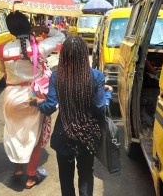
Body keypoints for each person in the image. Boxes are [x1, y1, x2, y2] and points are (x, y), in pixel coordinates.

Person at [32, 36, 112, 196]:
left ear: (64, 55)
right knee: (86, 177)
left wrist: (37, 102)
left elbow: (49, 107)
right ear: (84, 54)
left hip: (64, 136)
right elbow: (99, 108)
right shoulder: (96, 76)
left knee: (66, 181)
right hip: (87, 136)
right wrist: (107, 93)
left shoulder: (56, 76)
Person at [0, 11, 65, 189]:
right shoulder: (40, 47)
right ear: (28, 26)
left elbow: (3, 71)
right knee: (34, 135)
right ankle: (31, 177)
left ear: (10, 29)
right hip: (32, 95)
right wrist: (43, 29)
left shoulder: (2, 49)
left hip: (12, 95)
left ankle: (18, 169)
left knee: (13, 132)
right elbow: (60, 36)